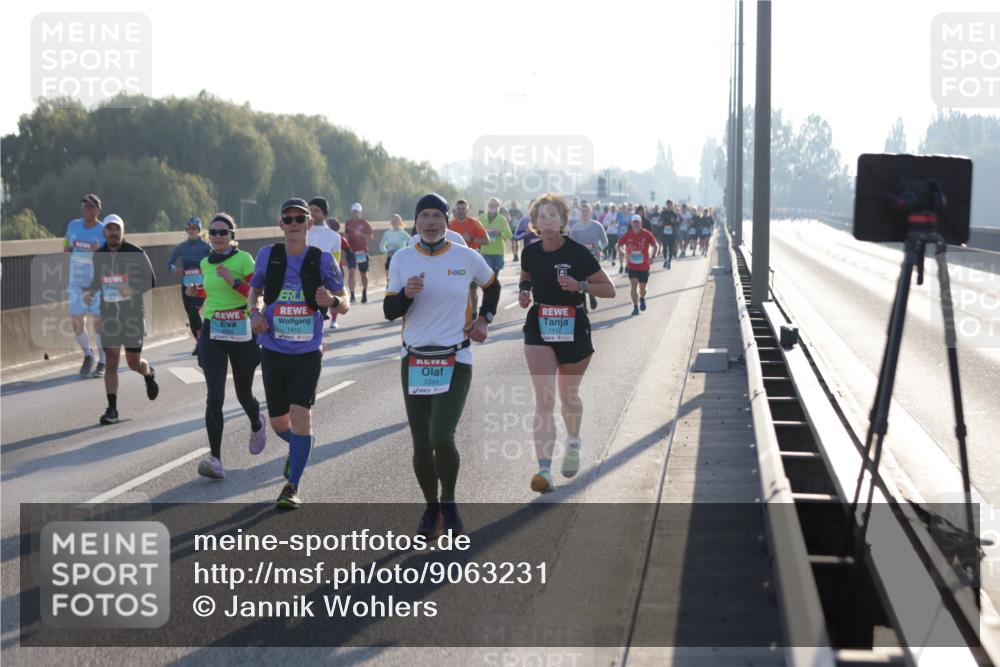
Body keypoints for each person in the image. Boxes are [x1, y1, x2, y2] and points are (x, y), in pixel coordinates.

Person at [384, 193, 500, 537]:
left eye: (437, 216)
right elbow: (390, 312)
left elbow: (491, 287)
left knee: (441, 435)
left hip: (456, 356)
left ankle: (448, 502)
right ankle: (430, 508)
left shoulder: (467, 257)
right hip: (415, 358)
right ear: (415, 222)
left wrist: (484, 319)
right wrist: (406, 294)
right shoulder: (402, 259)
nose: (430, 223)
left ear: (447, 221)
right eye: (424, 217)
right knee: (421, 443)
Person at [247, 198, 350, 509]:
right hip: (273, 348)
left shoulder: (321, 259)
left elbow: (344, 303)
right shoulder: (268, 255)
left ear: (309, 224)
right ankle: (301, 447)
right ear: (281, 224)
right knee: (280, 423)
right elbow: (255, 290)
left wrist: (331, 299)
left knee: (300, 414)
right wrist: (254, 313)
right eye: (288, 219)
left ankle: (292, 486)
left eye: (299, 219)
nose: (293, 224)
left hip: (307, 350)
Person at [518, 194, 615, 493]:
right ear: (534, 223)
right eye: (541, 216)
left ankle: (572, 442)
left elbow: (609, 289)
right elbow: (526, 278)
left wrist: (580, 285)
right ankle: (544, 471)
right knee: (545, 399)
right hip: (540, 324)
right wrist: (523, 293)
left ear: (563, 221)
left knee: (568, 396)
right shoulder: (530, 253)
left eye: (553, 215)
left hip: (574, 325)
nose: (547, 221)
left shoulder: (577, 253)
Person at [186, 213, 265, 479]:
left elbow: (257, 293)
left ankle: (256, 420)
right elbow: (211, 291)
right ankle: (216, 459)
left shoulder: (243, 260)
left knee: (243, 393)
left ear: (232, 236)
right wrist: (198, 293)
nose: (218, 236)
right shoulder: (205, 262)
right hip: (214, 331)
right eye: (213, 232)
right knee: (215, 395)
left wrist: (233, 280)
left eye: (223, 232)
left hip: (242, 330)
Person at [81, 214, 159, 424]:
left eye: (117, 229)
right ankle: (112, 409)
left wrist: (131, 289)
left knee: (133, 363)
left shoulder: (136, 253)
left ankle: (148, 373)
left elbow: (151, 280)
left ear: (123, 232)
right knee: (112, 361)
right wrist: (89, 291)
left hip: (132, 315)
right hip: (109, 316)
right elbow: (98, 280)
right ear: (104, 232)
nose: (113, 233)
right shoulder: (99, 255)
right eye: (110, 229)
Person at [64, 193, 106, 378]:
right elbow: (66, 245)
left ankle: (102, 362)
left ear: (98, 209)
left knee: (98, 323)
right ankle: (88, 355)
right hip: (76, 282)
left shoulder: (104, 229)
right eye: (84, 206)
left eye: (90, 206)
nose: (86, 209)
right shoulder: (73, 225)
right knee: (76, 321)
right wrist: (68, 248)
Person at [167, 217, 211, 355]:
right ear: (186, 230)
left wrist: (207, 271)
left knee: (193, 311)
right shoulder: (181, 247)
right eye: (189, 228)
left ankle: (203, 341)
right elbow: (169, 263)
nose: (191, 231)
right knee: (191, 315)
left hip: (201, 284)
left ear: (199, 230)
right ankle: (200, 341)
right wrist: (174, 269)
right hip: (186, 285)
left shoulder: (205, 246)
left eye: (194, 228)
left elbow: (215, 259)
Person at [306, 197, 343, 330]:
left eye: (316, 210)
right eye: (310, 210)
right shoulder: (300, 230)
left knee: (316, 326)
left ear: (324, 214)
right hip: (299, 285)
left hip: (321, 287)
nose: (312, 213)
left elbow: (335, 264)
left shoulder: (334, 237)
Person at [567, 203, 608, 310]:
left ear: (590, 212)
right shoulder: (575, 228)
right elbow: (571, 243)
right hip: (579, 258)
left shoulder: (597, 225)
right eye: (583, 211)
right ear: (580, 213)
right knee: (581, 279)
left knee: (591, 279)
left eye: (587, 211)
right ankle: (583, 304)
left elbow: (605, 241)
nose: (585, 213)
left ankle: (592, 295)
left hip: (593, 255)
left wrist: (599, 248)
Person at [616, 215, 658, 316]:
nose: (635, 224)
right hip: (632, 266)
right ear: (631, 224)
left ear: (640, 223)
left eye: (637, 222)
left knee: (642, 288)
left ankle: (642, 298)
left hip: (644, 266)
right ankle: (635, 307)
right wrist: (620, 252)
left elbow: (655, 245)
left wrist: (653, 256)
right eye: (634, 222)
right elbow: (618, 245)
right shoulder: (628, 235)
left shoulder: (647, 234)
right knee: (633, 285)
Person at [344, 202, 373, 303]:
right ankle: (352, 295)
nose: (355, 213)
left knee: (363, 274)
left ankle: (364, 293)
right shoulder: (348, 223)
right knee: (351, 273)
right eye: (353, 211)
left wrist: (361, 234)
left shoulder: (364, 223)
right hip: (351, 252)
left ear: (360, 212)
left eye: (356, 211)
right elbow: (346, 236)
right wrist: (344, 246)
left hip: (362, 252)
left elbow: (370, 236)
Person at [478, 197, 512, 278]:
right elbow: (475, 232)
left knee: (495, 276)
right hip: (485, 251)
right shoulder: (481, 218)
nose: (491, 206)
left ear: (498, 206)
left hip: (498, 251)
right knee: (487, 274)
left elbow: (509, 234)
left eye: (494, 205)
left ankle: (492, 289)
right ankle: (489, 289)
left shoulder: (502, 219)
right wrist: (483, 232)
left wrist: (499, 233)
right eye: (490, 205)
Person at [379, 214, 411, 280]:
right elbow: (381, 246)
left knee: (400, 279)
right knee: (389, 279)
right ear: (391, 222)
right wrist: (387, 252)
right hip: (390, 258)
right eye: (393, 220)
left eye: (396, 220)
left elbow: (412, 243)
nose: (394, 222)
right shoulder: (387, 233)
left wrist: (405, 252)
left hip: (400, 258)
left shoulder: (403, 233)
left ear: (400, 222)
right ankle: (389, 286)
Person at [660, 200, 680, 269]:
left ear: (672, 205)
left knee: (671, 248)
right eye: (667, 204)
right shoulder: (663, 213)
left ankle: (669, 262)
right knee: (664, 247)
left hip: (672, 233)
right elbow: (660, 221)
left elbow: (677, 223)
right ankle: (665, 259)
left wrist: (673, 221)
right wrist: (660, 223)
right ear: (666, 205)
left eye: (670, 204)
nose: (668, 206)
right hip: (664, 233)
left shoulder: (674, 213)